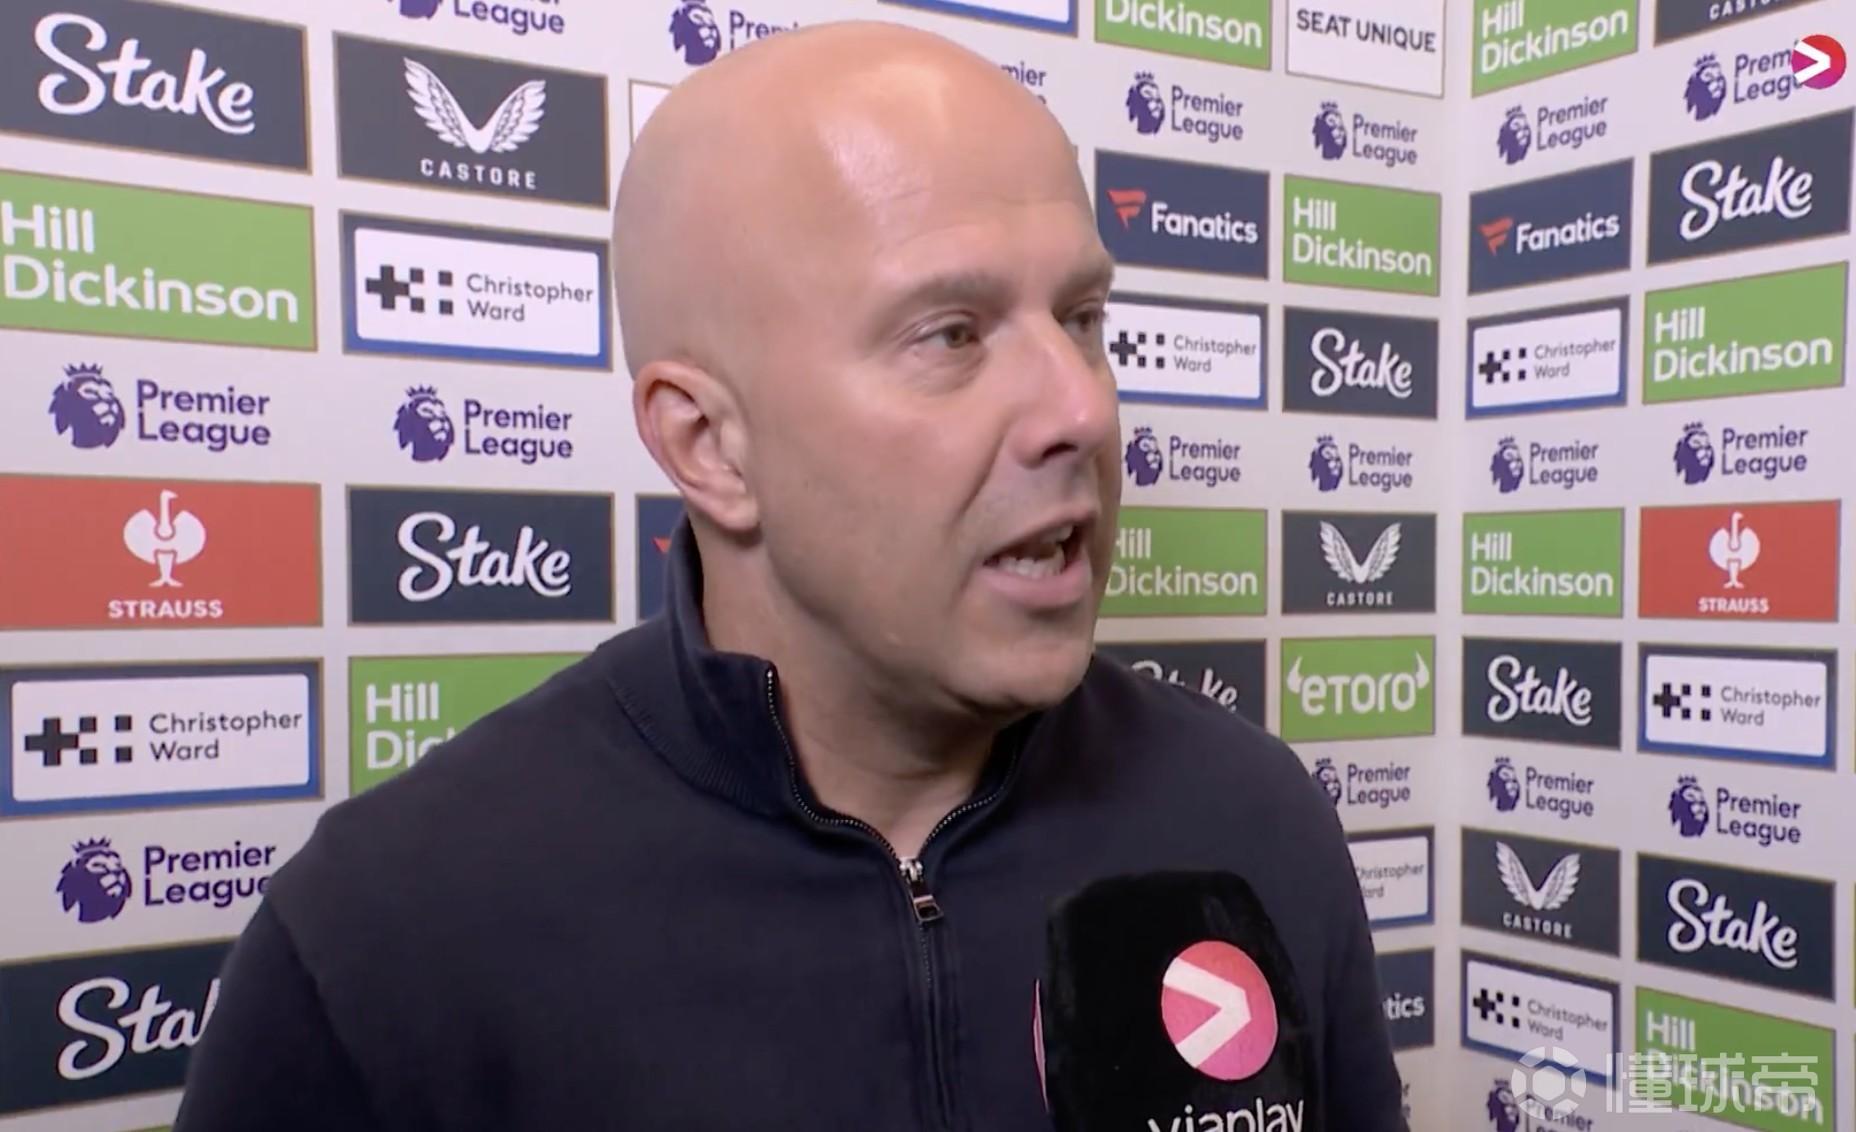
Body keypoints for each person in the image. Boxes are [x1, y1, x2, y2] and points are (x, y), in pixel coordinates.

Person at [172, 21, 1404, 1131]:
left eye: (1081, 318)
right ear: (710, 445)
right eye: (951, 333)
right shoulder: (389, 936)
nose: (1079, 410)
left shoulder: (1250, 819)